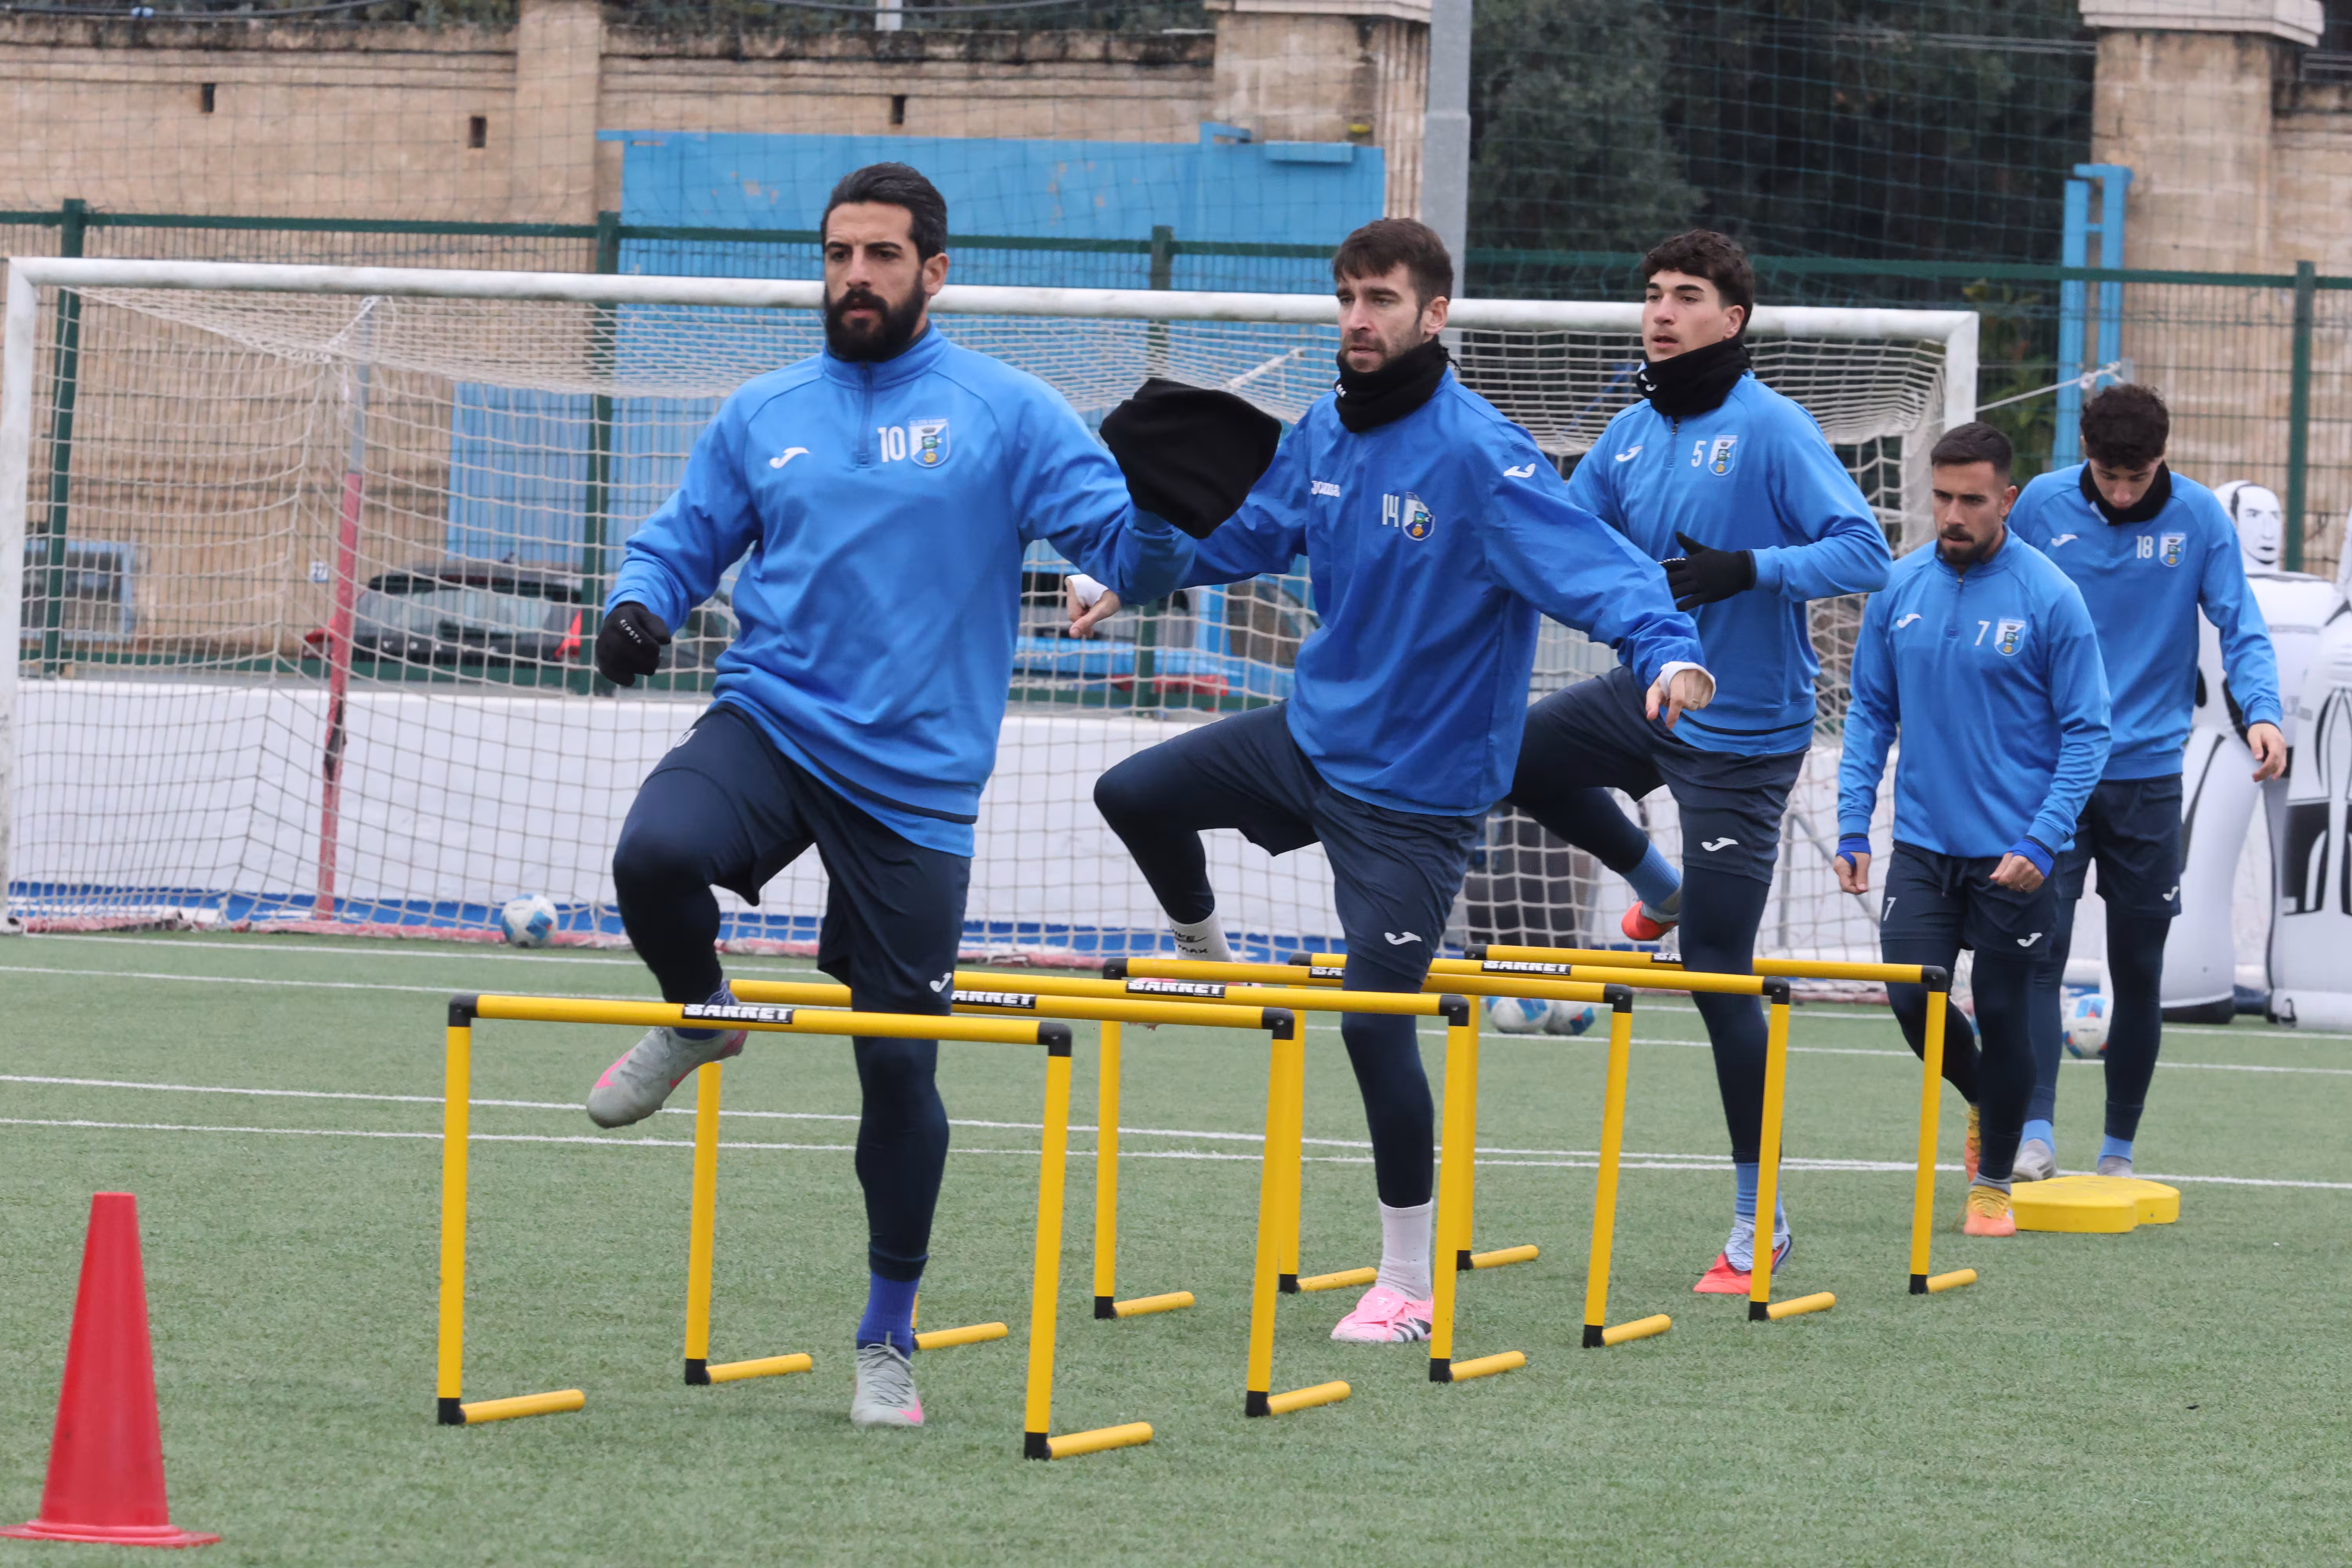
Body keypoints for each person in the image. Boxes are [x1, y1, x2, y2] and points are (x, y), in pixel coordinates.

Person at [582, 163, 1195, 1430]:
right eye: (838, 255)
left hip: (915, 781)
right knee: (653, 855)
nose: (854, 277)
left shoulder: (1007, 413)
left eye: (880, 256)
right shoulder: (764, 410)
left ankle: (886, 1340)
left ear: (935, 271)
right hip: (772, 718)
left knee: (896, 1070)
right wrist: (637, 603)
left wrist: (1165, 521)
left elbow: (1120, 548)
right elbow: (680, 535)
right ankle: (701, 1015)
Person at [1067, 218, 1709, 1346]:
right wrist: (1126, 578)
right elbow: (1251, 530)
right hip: (1311, 740)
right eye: (1347, 298)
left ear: (1434, 315)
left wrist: (1668, 652)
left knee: (1372, 1025)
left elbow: (1600, 572)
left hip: (1418, 799)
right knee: (1134, 794)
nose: (1359, 320)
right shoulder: (1326, 429)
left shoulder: (1483, 456)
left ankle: (1406, 1281)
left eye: (1381, 300)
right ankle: (1206, 958)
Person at [1501, 230, 1891, 1292]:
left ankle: (1755, 1217)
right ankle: (1650, 877)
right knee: (1508, 755)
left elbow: (1866, 550)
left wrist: (1751, 568)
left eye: (1687, 296)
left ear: (1733, 320)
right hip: (1648, 701)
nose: (1662, 312)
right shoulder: (1627, 435)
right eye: (1653, 296)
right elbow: (1562, 548)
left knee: (1716, 971)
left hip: (1746, 738)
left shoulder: (1772, 428)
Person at [1836, 423, 2112, 1235]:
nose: (1953, 514)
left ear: (2008, 500)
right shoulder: (1898, 586)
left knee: (2002, 1003)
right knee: (1908, 995)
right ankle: (1988, 1100)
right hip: (1922, 845)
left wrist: (2042, 839)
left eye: (1972, 500)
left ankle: (1993, 1180)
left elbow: (2090, 731)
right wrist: (1855, 824)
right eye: (1943, 497)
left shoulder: (2051, 595)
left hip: (2016, 855)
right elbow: (1870, 712)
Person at [2005, 385, 2284, 1180]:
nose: (2121, 491)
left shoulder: (2200, 519)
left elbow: (2242, 626)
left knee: (2139, 966)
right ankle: (2034, 1132)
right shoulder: (2041, 508)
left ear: (2162, 457)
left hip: (2149, 777)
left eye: (2137, 477)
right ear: (2085, 455)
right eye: (2107, 474)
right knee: (2037, 953)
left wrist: (2260, 710)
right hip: (2049, 774)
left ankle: (2119, 1149)